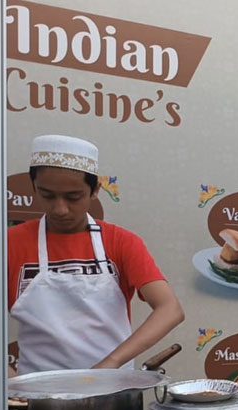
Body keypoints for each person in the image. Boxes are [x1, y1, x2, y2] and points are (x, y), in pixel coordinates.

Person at [9, 135, 183, 374]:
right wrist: (6, 376)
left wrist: (110, 364)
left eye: (73, 197)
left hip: (110, 390)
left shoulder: (120, 241)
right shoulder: (9, 243)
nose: (60, 209)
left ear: (95, 190)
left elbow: (169, 309)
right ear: (33, 188)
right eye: (47, 195)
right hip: (35, 392)